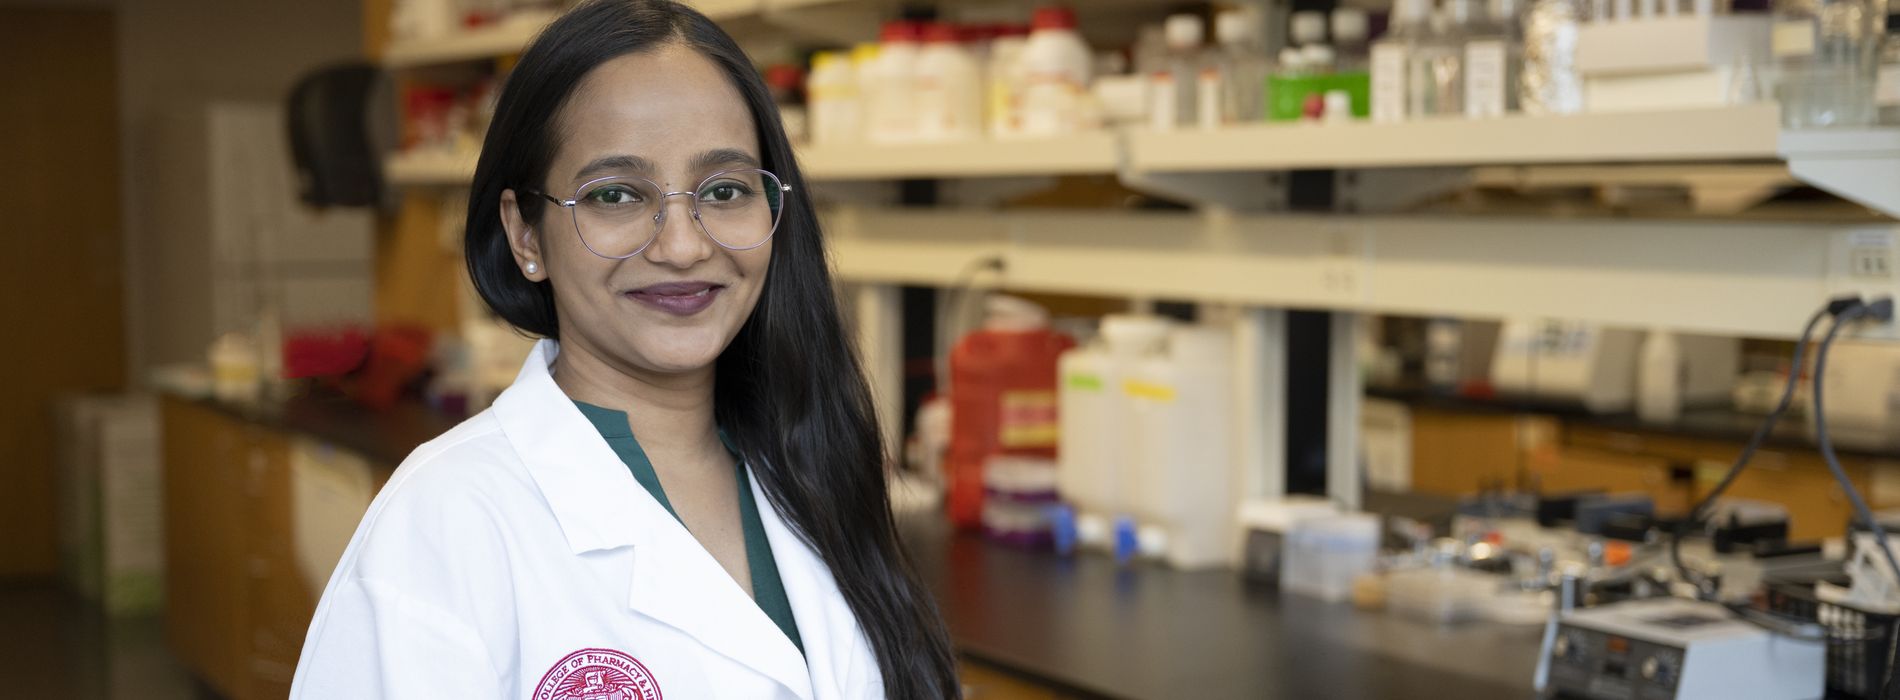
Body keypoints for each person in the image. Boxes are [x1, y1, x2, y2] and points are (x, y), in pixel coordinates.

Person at [289, 2, 960, 698]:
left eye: (725, 189)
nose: (683, 245)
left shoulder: (814, 464)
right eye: (615, 195)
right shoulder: (444, 523)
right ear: (526, 235)